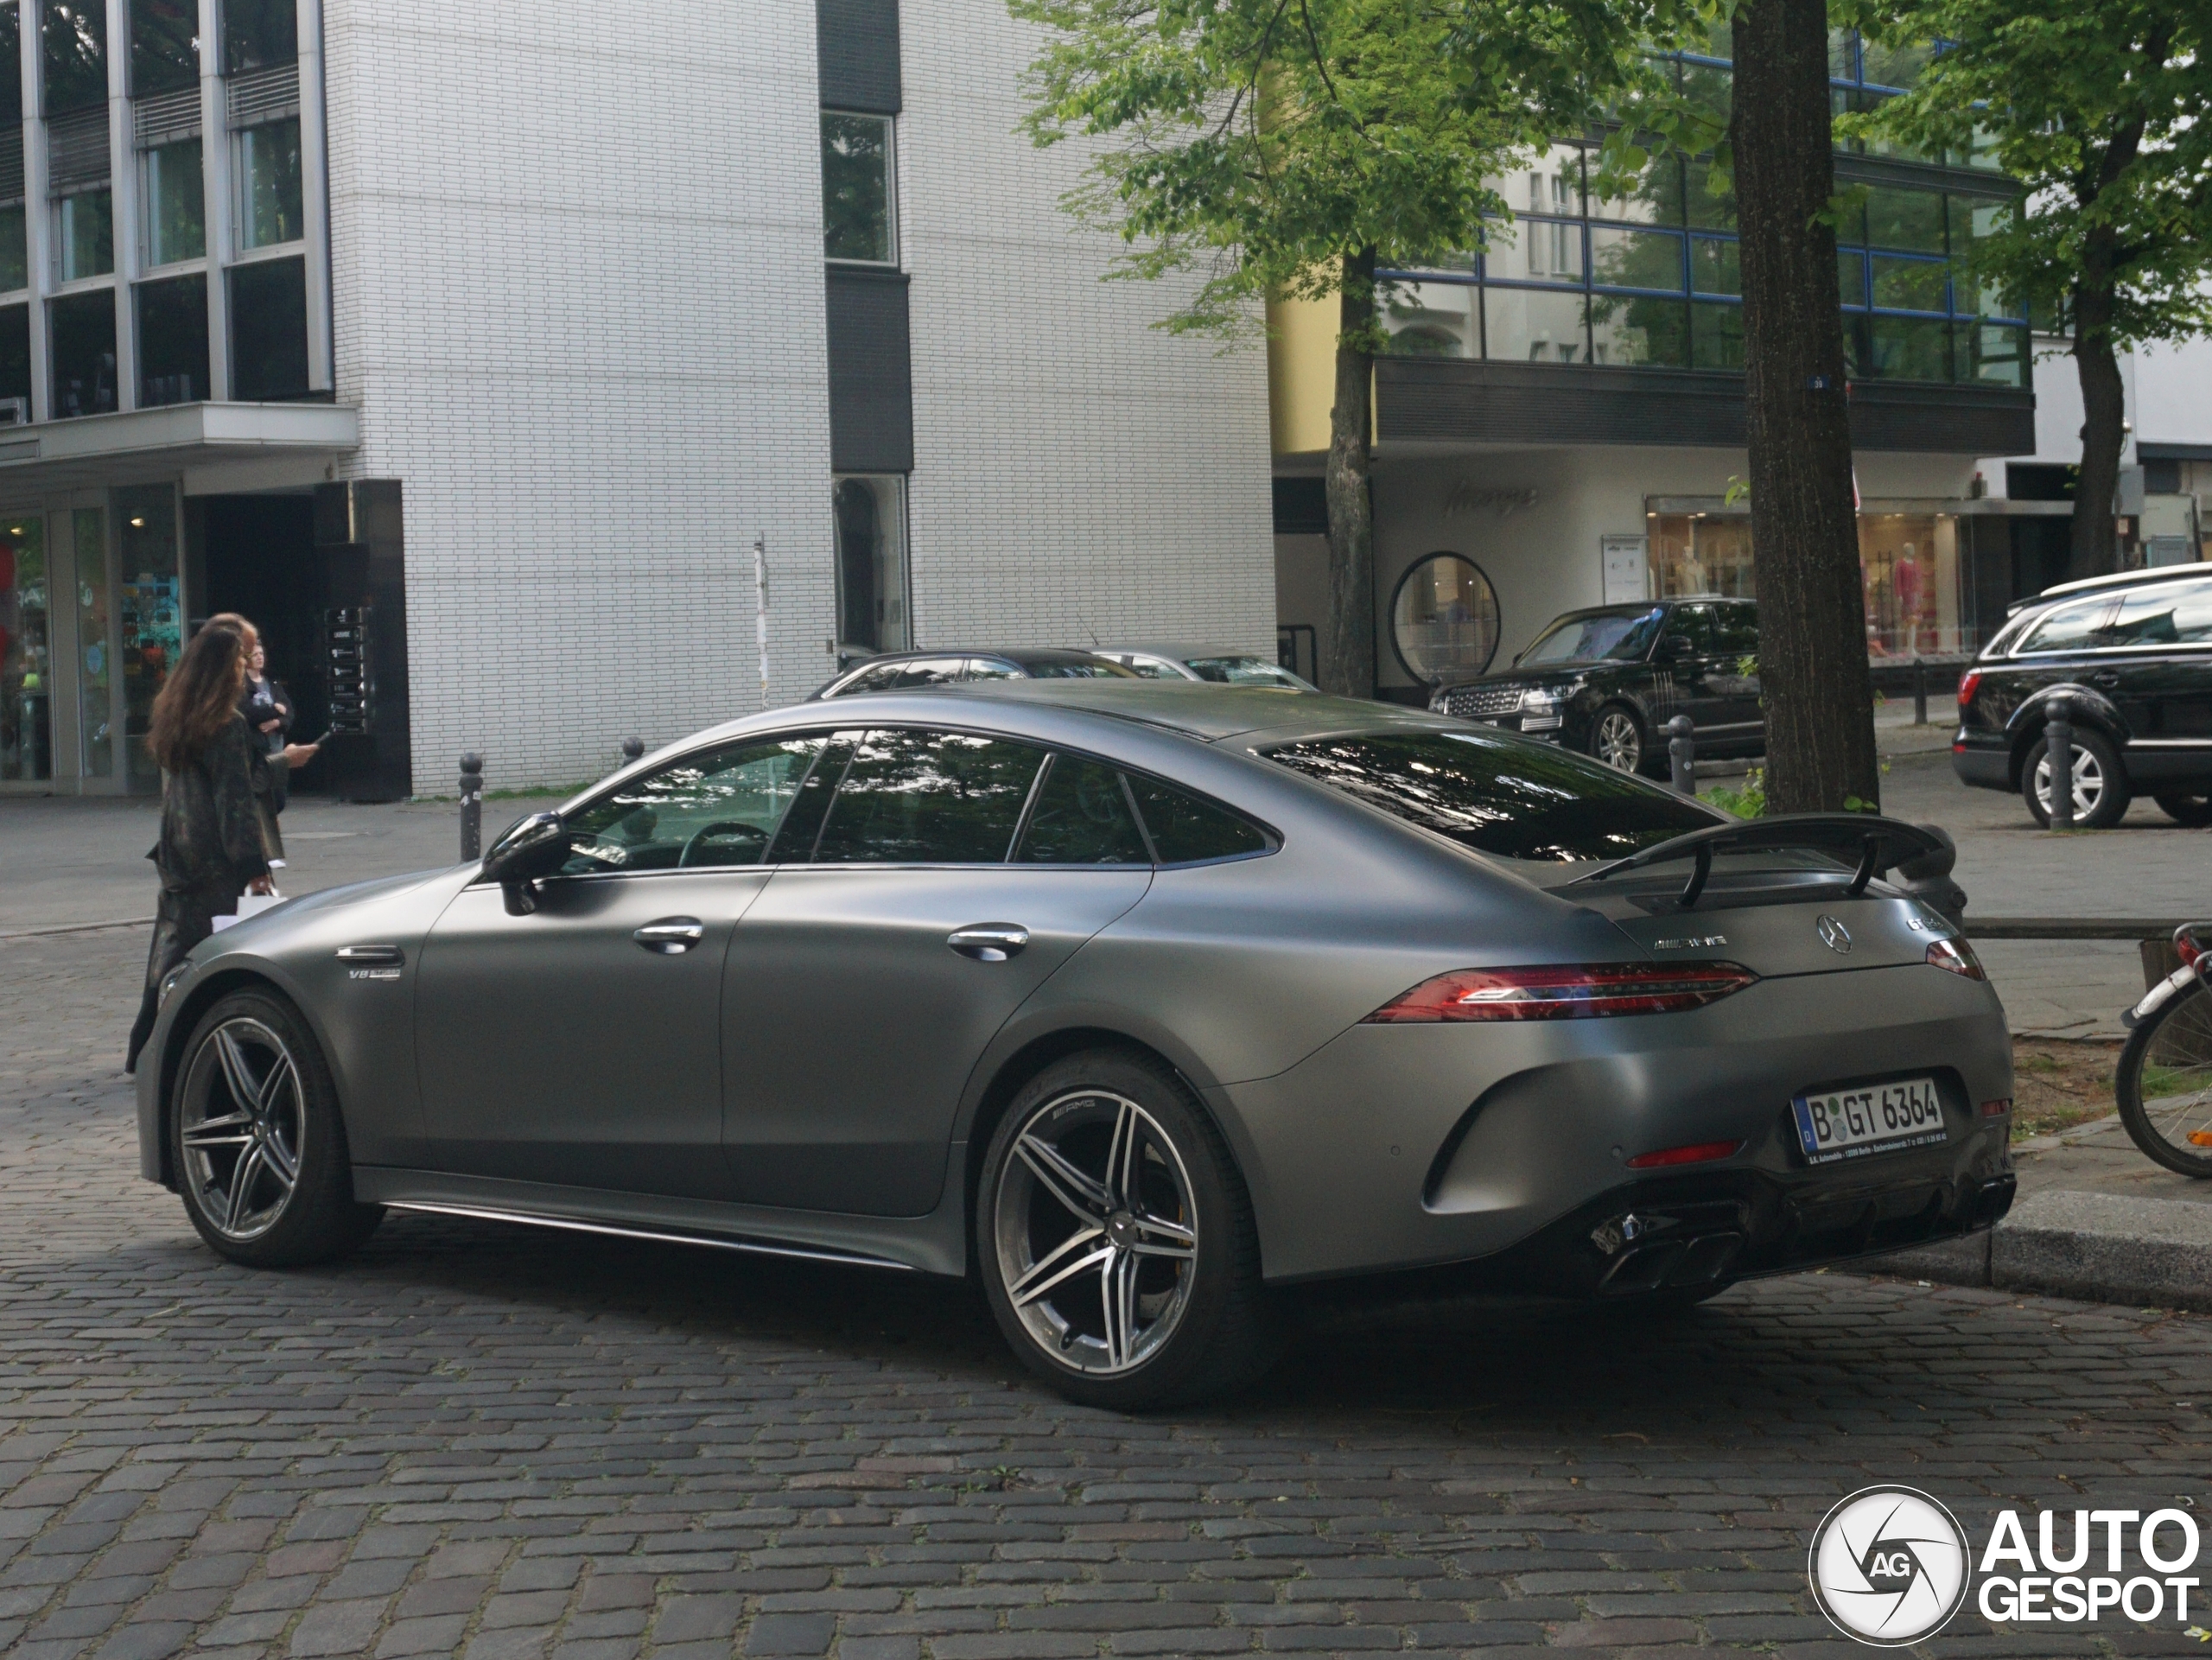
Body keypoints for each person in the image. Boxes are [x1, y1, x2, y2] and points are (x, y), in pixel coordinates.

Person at [124, 620, 275, 1073]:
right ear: (219, 670)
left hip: (176, 854)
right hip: (213, 862)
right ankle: (218, 1049)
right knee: (216, 960)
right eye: (236, 663)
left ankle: (143, 1046)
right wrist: (254, 866)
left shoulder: (176, 716)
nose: (242, 671)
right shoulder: (225, 726)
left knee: (169, 953)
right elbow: (234, 804)